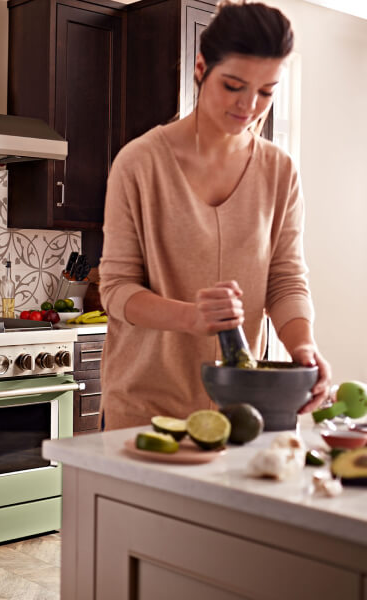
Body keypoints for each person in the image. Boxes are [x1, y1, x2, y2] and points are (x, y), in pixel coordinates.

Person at [98, 0, 331, 431]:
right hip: (146, 409)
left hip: (244, 410)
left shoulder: (279, 171)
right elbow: (116, 289)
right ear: (202, 68)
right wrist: (190, 317)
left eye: (266, 92)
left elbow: (285, 280)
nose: (249, 106)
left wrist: (303, 346)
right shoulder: (140, 162)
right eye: (234, 85)